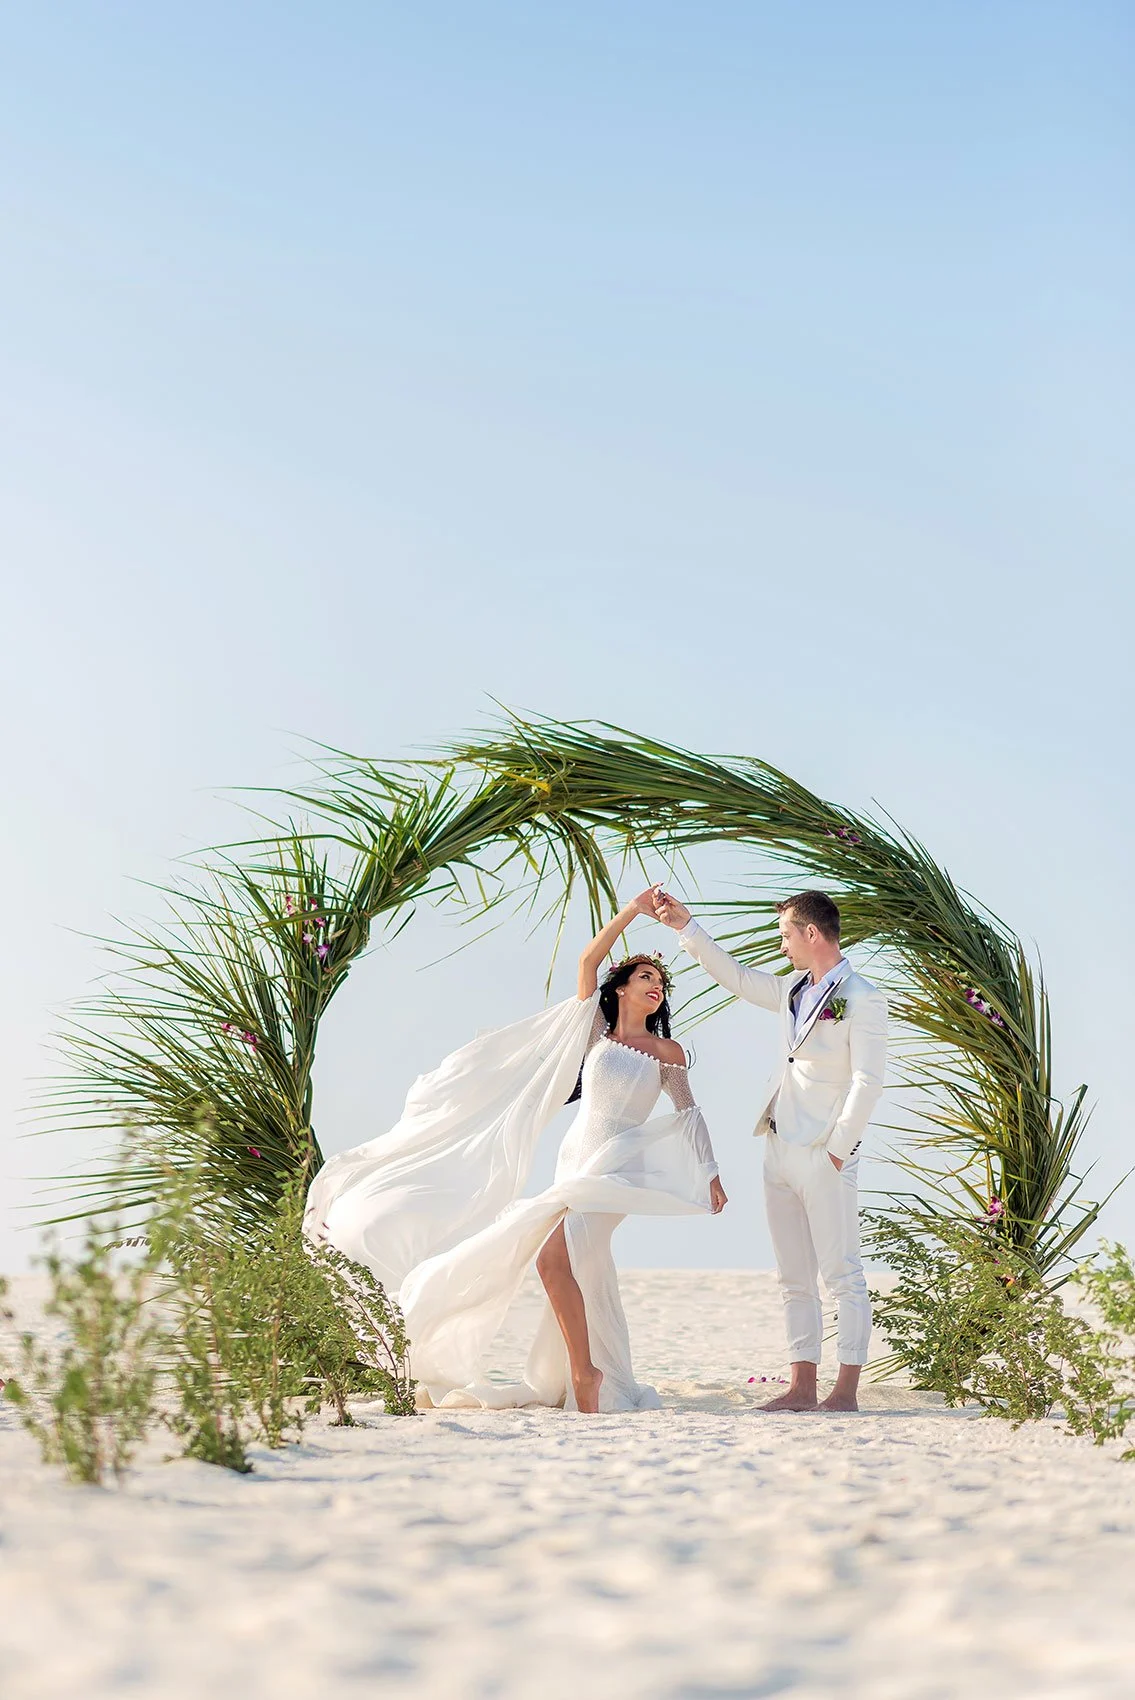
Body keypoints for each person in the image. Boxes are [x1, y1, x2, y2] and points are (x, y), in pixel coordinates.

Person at [304, 889, 727, 1413]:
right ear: (620, 988)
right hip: (575, 1159)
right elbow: (587, 961)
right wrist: (632, 911)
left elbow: (689, 1114)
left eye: (660, 982)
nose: (656, 986)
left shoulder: (667, 1051)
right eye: (645, 976)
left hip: (616, 1168)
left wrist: (710, 1174)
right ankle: (587, 1370)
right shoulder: (595, 1034)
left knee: (552, 1260)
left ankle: (585, 1373)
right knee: (580, 1266)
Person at [653, 887, 886, 1413]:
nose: (782, 946)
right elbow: (735, 977)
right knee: (793, 1277)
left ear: (811, 933)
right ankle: (801, 1387)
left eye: (785, 935)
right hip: (778, 1147)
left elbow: (868, 1081)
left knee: (842, 1274)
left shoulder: (862, 997)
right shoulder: (790, 990)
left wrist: (838, 1150)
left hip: (826, 1152)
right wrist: (686, 928)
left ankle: (844, 1392)